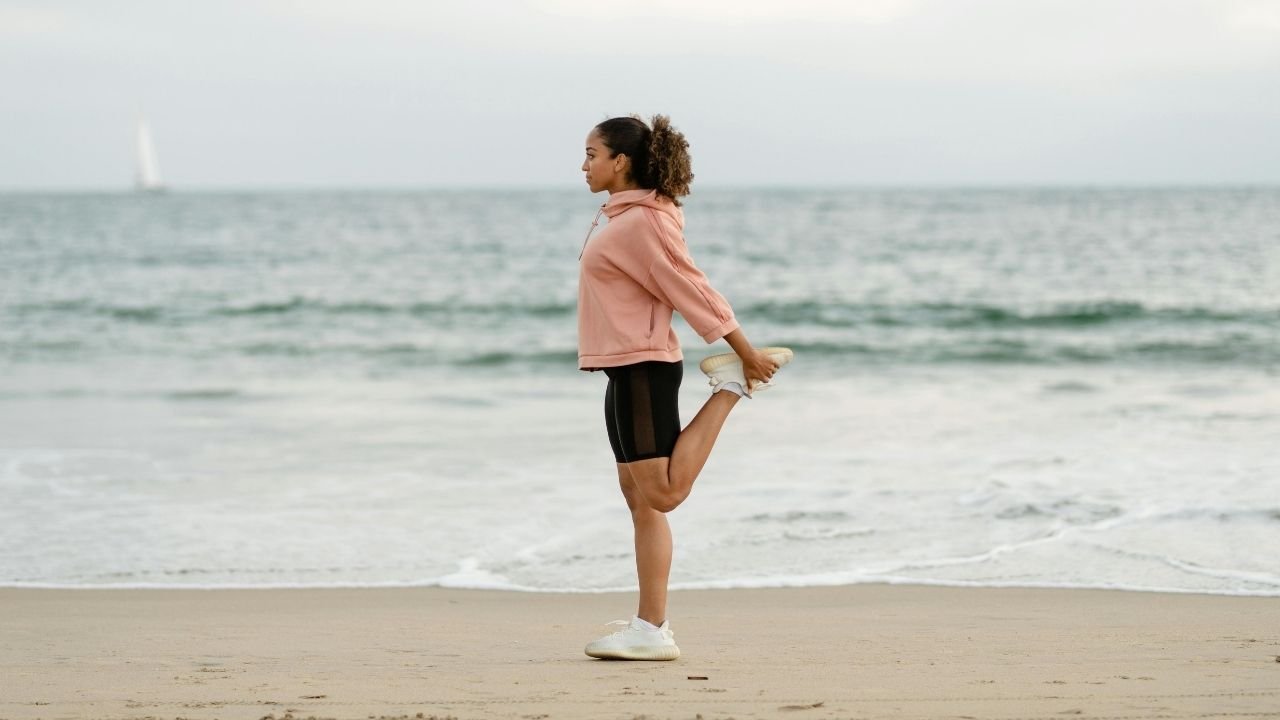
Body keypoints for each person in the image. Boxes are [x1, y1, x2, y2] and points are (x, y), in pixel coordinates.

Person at [576, 114, 793, 660]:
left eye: (591, 154)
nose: (584, 165)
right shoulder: (622, 218)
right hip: (622, 368)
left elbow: (692, 287)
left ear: (619, 161)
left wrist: (746, 353)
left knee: (664, 493)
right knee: (639, 499)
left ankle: (729, 387)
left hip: (645, 365)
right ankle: (650, 628)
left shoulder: (646, 221)